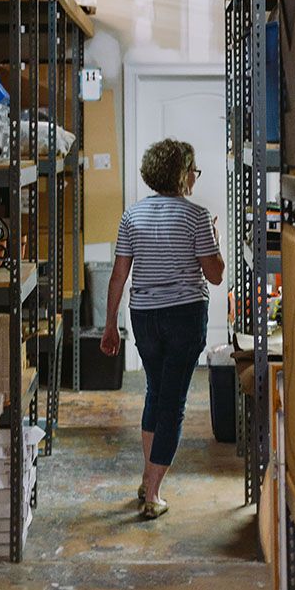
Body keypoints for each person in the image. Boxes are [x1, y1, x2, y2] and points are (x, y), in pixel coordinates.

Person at [100, 138, 225, 520]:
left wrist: (110, 326)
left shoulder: (131, 216)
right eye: (193, 169)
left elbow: (119, 275)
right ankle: (153, 495)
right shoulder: (196, 217)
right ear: (182, 173)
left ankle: (147, 476)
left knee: (156, 393)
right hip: (184, 316)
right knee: (173, 404)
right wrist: (214, 239)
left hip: (145, 317)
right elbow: (216, 275)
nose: (194, 176)